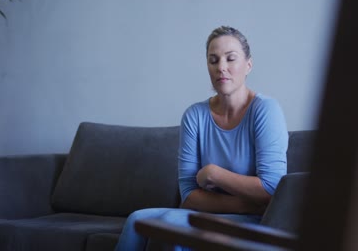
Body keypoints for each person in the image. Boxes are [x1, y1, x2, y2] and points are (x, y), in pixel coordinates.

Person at [114, 26, 289, 251]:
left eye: (230, 59)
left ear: (248, 65)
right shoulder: (195, 115)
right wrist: (248, 204)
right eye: (213, 60)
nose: (221, 68)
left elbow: (271, 190)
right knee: (137, 220)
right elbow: (189, 196)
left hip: (254, 223)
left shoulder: (266, 110)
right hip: (224, 213)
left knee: (171, 224)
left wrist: (214, 174)